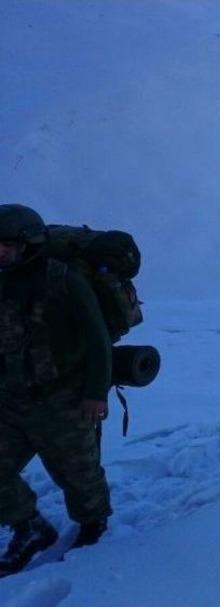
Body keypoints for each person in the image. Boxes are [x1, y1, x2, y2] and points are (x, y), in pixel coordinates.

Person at [0, 204, 112, 576]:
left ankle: (95, 531)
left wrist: (95, 393)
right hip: (11, 399)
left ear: (29, 243)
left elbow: (98, 339)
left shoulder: (62, 280)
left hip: (64, 398)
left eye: (7, 244)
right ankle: (29, 527)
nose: (0, 251)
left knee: (80, 479)